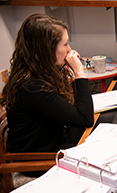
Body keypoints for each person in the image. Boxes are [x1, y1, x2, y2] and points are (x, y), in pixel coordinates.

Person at [1, 14, 94, 154]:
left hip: (53, 142)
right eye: (65, 44)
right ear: (47, 49)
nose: (69, 49)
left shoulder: (37, 73)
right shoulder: (32, 87)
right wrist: (79, 73)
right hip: (38, 160)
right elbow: (85, 119)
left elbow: (72, 111)